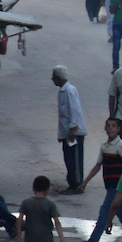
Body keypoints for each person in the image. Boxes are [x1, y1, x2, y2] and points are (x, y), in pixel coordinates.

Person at [78, 118, 122, 242]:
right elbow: (98, 165)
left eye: (113, 126)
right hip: (110, 186)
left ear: (118, 129)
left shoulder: (120, 145)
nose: (110, 129)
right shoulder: (104, 147)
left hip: (117, 186)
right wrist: (85, 182)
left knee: (104, 213)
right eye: (108, 126)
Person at [52, 66, 88, 194]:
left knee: (75, 160)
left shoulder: (69, 91)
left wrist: (73, 128)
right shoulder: (63, 91)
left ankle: (77, 185)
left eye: (54, 77)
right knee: (68, 159)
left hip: (74, 132)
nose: (52, 79)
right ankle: (72, 183)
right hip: (67, 132)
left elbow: (75, 110)